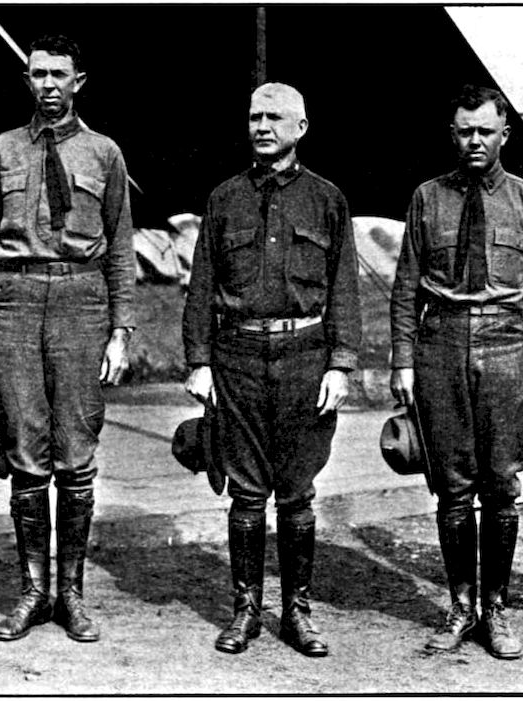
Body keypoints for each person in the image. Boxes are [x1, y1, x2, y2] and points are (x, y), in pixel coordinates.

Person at [0, 34, 135, 644]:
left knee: (76, 450)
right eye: (38, 74)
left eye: (59, 74)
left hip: (81, 302)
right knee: (25, 449)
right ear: (28, 81)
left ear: (78, 82)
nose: (49, 85)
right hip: (13, 301)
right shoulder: (2, 150)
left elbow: (121, 248)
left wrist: (121, 330)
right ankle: (33, 592)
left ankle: (72, 594)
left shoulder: (104, 153)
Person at [182, 82, 362, 657]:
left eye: (275, 118)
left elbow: (345, 289)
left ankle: (297, 612)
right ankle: (245, 611)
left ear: (301, 127)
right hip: (238, 360)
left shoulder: (327, 199)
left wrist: (340, 365)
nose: (262, 127)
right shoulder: (225, 199)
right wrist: (199, 361)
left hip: (305, 357)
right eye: (255, 117)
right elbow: (201, 286)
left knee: (297, 494)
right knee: (246, 492)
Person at [389, 84, 523, 660]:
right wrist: (403, 361)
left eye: (485, 131)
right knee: (451, 485)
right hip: (440, 344)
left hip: (507, 346)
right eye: (465, 131)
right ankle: (461, 606)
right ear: (452, 134)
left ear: (504, 135)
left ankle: (496, 608)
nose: (474, 141)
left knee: (501, 484)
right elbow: (405, 289)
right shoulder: (427, 198)